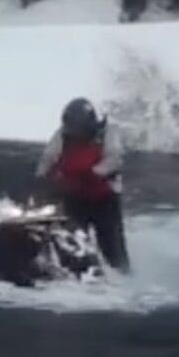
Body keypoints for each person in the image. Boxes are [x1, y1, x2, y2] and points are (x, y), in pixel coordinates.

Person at [34, 98, 130, 272]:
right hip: (75, 197)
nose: (74, 132)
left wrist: (94, 173)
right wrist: (40, 179)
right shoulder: (63, 135)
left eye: (77, 127)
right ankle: (72, 270)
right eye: (71, 126)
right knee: (72, 239)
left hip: (105, 200)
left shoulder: (108, 133)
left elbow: (114, 159)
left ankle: (122, 275)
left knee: (111, 245)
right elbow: (49, 157)